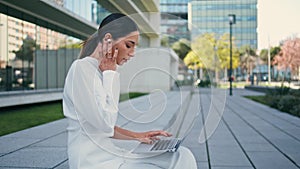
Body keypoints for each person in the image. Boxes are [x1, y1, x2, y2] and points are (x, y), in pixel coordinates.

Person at [63, 13, 197, 169]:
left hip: (112, 154)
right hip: (92, 162)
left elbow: (102, 127)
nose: (132, 53)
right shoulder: (81, 69)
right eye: (129, 45)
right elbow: (105, 124)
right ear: (108, 39)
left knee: (182, 155)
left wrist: (138, 136)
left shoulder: (103, 72)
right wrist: (110, 75)